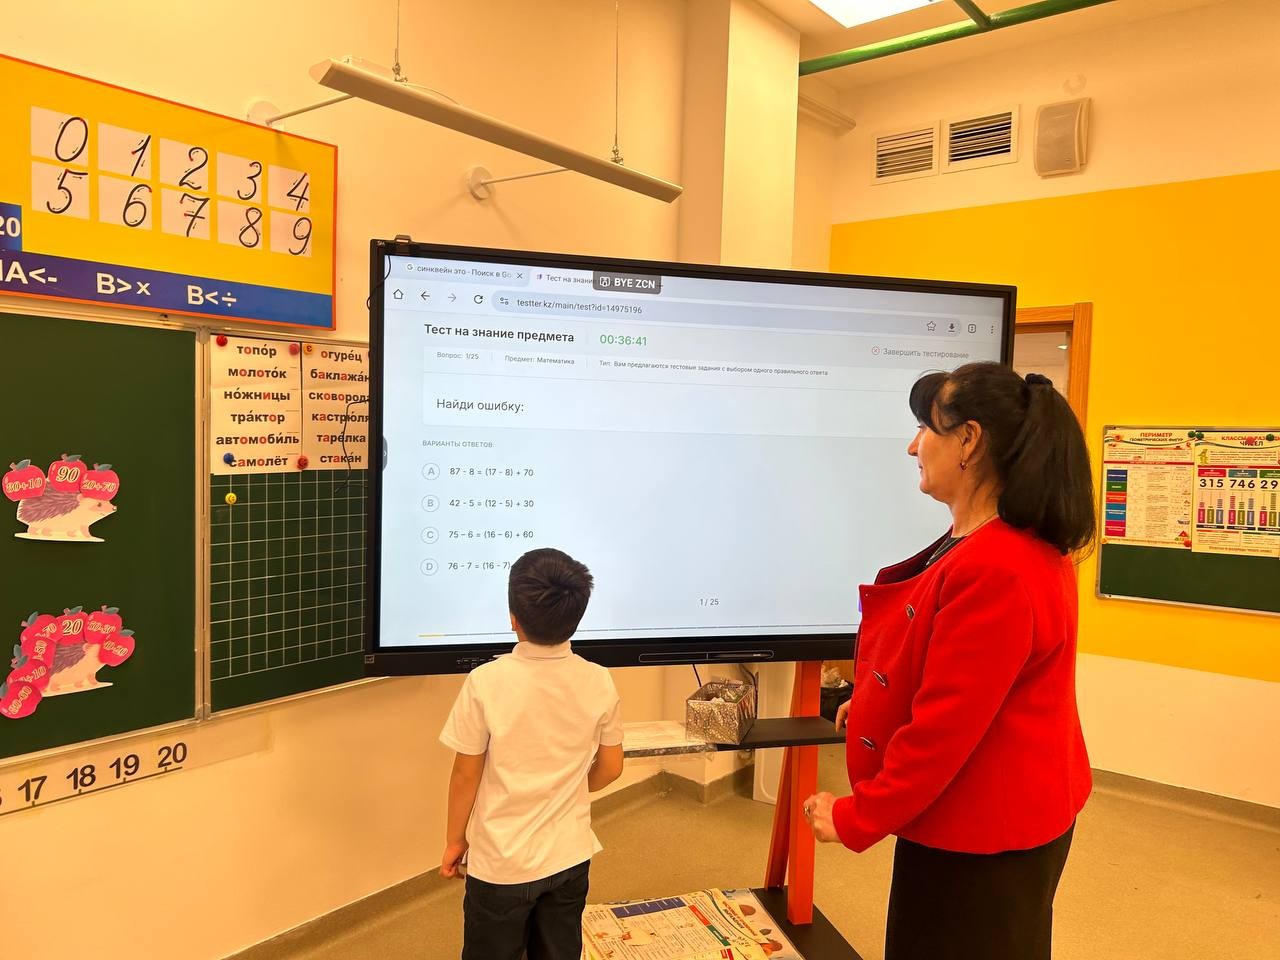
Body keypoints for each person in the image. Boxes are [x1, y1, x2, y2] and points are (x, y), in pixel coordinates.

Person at [803, 362, 1096, 960]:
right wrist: (875, 707)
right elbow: (957, 673)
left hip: (981, 837)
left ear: (969, 440)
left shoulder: (995, 566)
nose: (913, 446)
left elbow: (946, 728)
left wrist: (857, 817)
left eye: (925, 428)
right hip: (1010, 816)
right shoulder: (1001, 544)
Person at [439, 547, 625, 960]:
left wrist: (454, 840)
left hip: (501, 863)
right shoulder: (599, 680)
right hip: (570, 856)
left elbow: (466, 775)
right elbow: (611, 768)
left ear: (513, 618)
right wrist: (569, 788)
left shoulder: (485, 682)